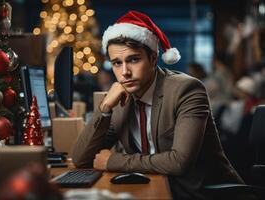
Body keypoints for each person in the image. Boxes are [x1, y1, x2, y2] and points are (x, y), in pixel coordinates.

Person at [72, 11, 243, 199]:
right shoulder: (121, 99)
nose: (125, 72)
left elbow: (179, 162)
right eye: (117, 63)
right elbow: (81, 158)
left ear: (153, 58)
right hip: (152, 189)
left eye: (133, 60)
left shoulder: (187, 90)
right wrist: (104, 108)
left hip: (201, 194)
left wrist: (113, 161)